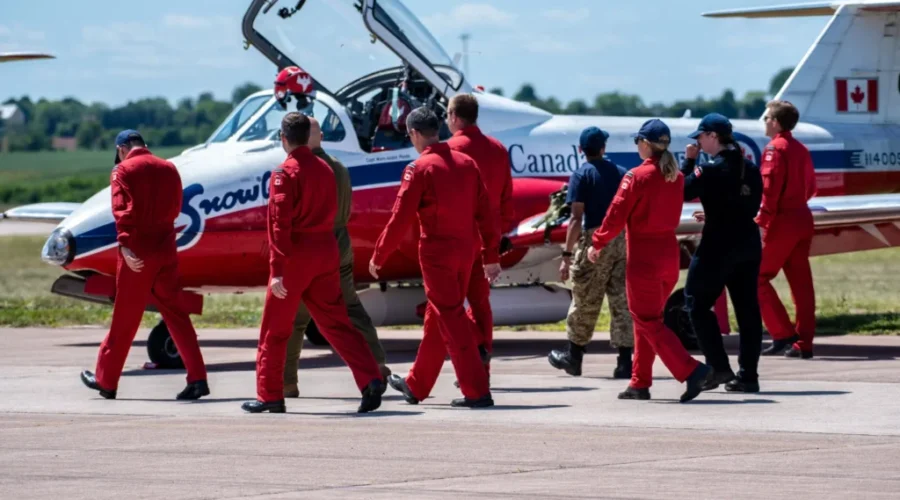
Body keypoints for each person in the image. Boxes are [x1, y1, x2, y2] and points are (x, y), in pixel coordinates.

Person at [241, 112, 385, 414]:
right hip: (327, 251)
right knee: (336, 322)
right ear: (308, 136)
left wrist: (277, 271)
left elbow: (279, 226)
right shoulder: (326, 169)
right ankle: (370, 378)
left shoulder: (284, 173)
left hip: (297, 257)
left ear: (283, 138)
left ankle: (270, 395)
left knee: (275, 328)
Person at [370, 106, 501, 408]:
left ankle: (477, 388)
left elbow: (399, 217)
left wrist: (380, 254)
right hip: (467, 251)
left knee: (450, 314)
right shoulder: (467, 163)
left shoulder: (419, 168)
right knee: (438, 315)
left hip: (438, 253)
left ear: (415, 134)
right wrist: (490, 253)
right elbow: (487, 213)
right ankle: (416, 385)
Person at [588, 119, 712, 402]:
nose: (636, 146)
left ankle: (691, 370)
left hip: (644, 259)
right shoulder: (676, 176)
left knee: (645, 320)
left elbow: (616, 214)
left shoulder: (636, 176)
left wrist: (597, 243)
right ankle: (639, 382)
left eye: (638, 141)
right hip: (668, 256)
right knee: (647, 321)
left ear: (645, 143)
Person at [80, 130, 209, 400]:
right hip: (166, 249)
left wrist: (125, 245)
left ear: (123, 148)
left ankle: (106, 380)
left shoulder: (122, 171)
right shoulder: (169, 167)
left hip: (137, 252)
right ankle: (197, 378)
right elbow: (176, 207)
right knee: (176, 316)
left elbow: (122, 209)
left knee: (125, 320)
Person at [281, 117, 391, 398]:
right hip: (340, 243)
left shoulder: (300, 170)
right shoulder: (339, 168)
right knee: (351, 306)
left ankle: (286, 382)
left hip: (312, 245)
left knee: (295, 318)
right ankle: (377, 365)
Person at [680, 113, 764, 392]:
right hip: (748, 242)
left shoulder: (711, 168)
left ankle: (719, 367)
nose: (699, 142)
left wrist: (689, 161)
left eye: (701, 137)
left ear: (713, 136)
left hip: (719, 245)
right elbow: (746, 204)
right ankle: (748, 376)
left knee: (695, 302)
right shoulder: (749, 167)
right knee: (748, 310)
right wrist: (716, 212)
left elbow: (682, 189)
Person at [548, 126, 634, 379]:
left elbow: (575, 218)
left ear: (581, 150)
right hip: (621, 239)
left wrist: (566, 254)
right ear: (603, 148)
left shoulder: (581, 175)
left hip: (595, 240)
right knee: (621, 301)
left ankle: (573, 357)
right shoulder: (620, 173)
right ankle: (625, 362)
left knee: (585, 298)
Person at [445, 93, 515, 384]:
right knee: (480, 304)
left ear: (454, 117)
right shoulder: (498, 149)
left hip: (455, 239)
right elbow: (507, 201)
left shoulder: (447, 150)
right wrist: (498, 236)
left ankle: (472, 353)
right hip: (487, 239)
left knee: (447, 306)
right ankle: (481, 366)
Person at [757, 100, 818, 359]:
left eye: (767, 117)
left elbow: (769, 192)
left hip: (782, 222)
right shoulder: (800, 149)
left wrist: (760, 223)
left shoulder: (774, 149)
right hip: (803, 218)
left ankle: (782, 334)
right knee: (801, 284)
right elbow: (812, 188)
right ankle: (804, 343)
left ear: (776, 122)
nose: (764, 122)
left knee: (755, 278)